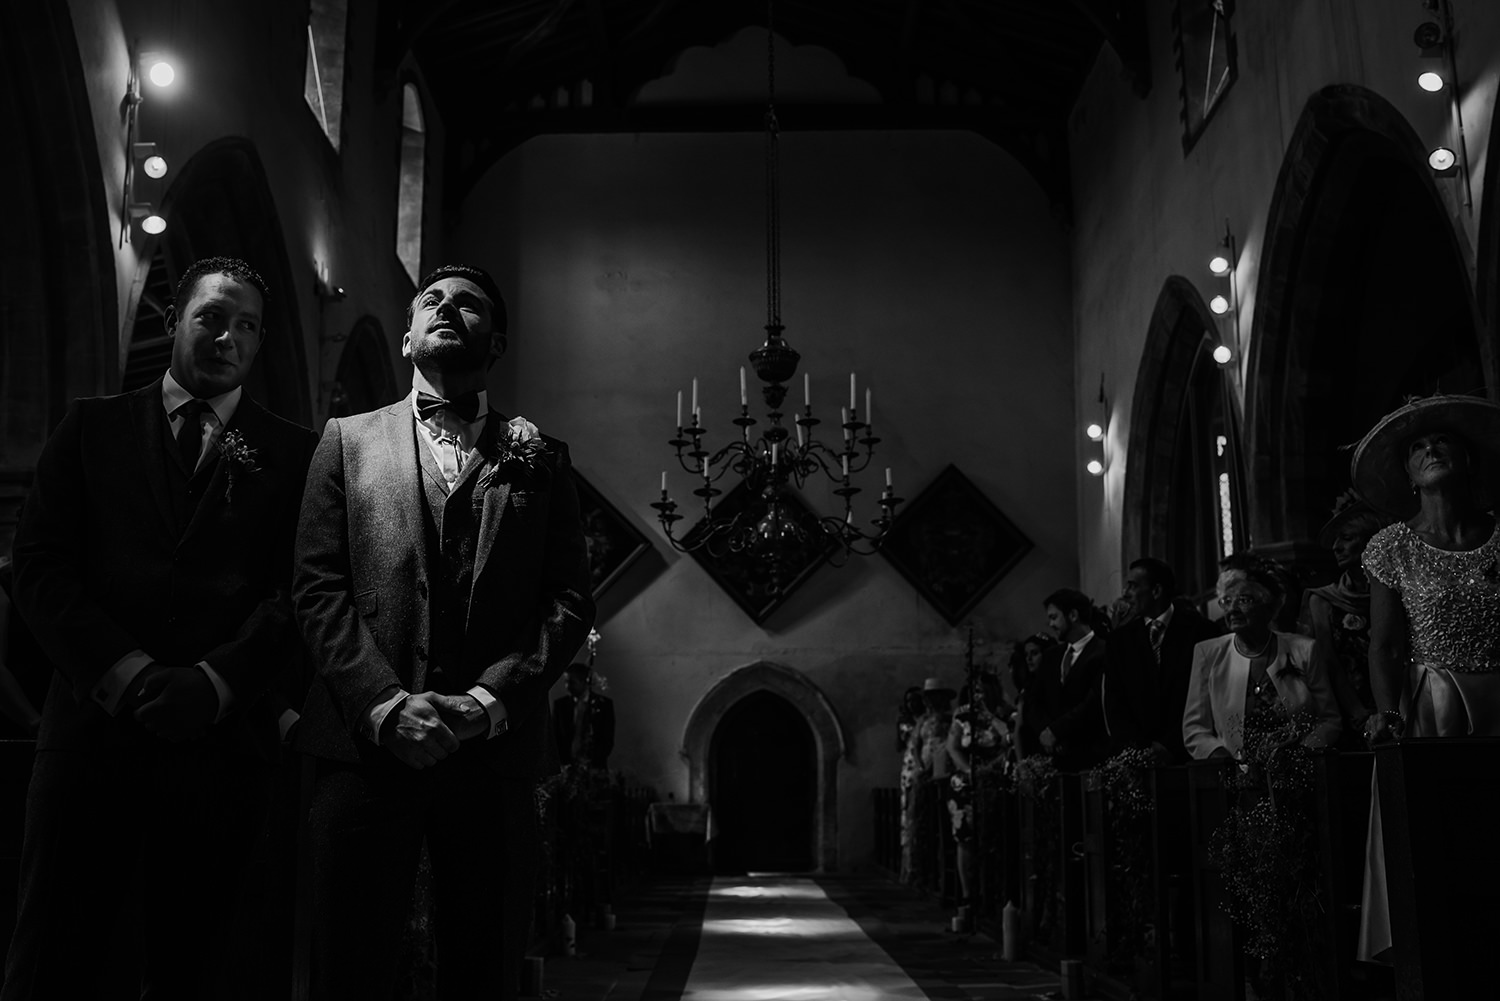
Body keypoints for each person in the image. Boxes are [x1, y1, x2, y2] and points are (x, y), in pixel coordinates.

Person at [2, 257, 317, 999]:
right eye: (211, 316)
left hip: (224, 750)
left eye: (245, 325)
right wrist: (129, 671)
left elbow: (302, 589)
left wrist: (216, 683)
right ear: (175, 318)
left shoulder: (297, 453)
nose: (227, 336)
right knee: (59, 955)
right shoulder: (91, 428)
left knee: (205, 963)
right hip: (93, 738)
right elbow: (41, 566)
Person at [293, 264, 595, 1000]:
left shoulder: (542, 458)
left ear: (497, 343)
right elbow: (316, 585)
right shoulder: (345, 440)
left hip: (491, 757)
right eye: (431, 300)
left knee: (484, 963)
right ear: (406, 335)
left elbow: (569, 600)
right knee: (348, 962)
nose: (448, 308)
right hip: (365, 750)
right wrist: (384, 704)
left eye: (470, 305)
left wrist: (489, 702)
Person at [1349, 394, 1500, 961]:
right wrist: (1389, 716)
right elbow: (1384, 645)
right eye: (1417, 447)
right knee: (1441, 843)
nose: (1430, 449)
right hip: (1432, 703)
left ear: (1467, 458)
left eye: (1441, 441)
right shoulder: (1392, 546)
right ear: (1409, 475)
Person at [1182, 554, 1341, 760]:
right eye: (1227, 601)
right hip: (1235, 776)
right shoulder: (1208, 653)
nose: (1232, 609)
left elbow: (1329, 719)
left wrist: (1301, 754)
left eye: (1244, 600)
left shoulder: (1304, 649)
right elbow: (1195, 729)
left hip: (1299, 772)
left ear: (1269, 608)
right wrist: (1220, 757)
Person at [1104, 557, 1221, 761]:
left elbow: (1209, 694)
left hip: (1188, 753)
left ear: (1156, 591)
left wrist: (1170, 745)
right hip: (1139, 759)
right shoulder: (1119, 640)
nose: (1125, 593)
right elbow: (1115, 702)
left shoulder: (1201, 631)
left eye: (1133, 586)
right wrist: (1139, 749)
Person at [1302, 491, 1387, 746]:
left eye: (1347, 538)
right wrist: (1357, 712)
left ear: (1370, 542)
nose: (1336, 547)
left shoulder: (1393, 591)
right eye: (1336, 539)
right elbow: (1328, 663)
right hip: (1346, 714)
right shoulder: (1323, 600)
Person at [946, 672, 1009, 911]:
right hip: (966, 782)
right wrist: (969, 770)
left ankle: (992, 890)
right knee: (965, 838)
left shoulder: (1003, 712)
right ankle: (968, 893)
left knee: (993, 835)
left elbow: (1008, 740)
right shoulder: (963, 714)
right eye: (974, 691)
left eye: (982, 690)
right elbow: (953, 747)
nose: (978, 696)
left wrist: (991, 716)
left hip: (994, 779)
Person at [1028, 588, 1109, 770]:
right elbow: (1034, 701)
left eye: (1054, 617)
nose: (1050, 624)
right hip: (1054, 758)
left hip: (1090, 756)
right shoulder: (1051, 656)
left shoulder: (1104, 651)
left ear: (1073, 615)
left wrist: (1057, 731)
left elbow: (1094, 701)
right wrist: (1046, 732)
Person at [553, 661, 615, 770]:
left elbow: (607, 739)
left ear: (584, 682)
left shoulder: (603, 705)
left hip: (594, 769)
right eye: (566, 682)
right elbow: (555, 737)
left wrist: (590, 762)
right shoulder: (560, 705)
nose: (567, 687)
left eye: (572, 682)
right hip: (566, 768)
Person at [1009, 631, 1055, 756]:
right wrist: (1022, 765)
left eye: (1034, 653)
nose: (1029, 659)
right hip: (1034, 757)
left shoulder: (1059, 684)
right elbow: (1018, 732)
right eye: (1026, 654)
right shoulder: (1027, 692)